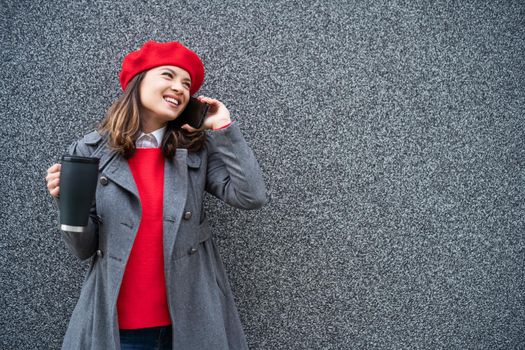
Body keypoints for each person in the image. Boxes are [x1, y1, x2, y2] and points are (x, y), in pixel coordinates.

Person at [45, 40, 268, 350]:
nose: (179, 87)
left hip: (191, 321)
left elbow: (251, 195)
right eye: (168, 75)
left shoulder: (195, 151)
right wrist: (69, 205)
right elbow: (84, 249)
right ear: (138, 81)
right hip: (119, 327)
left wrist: (222, 127)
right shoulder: (90, 151)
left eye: (186, 83)